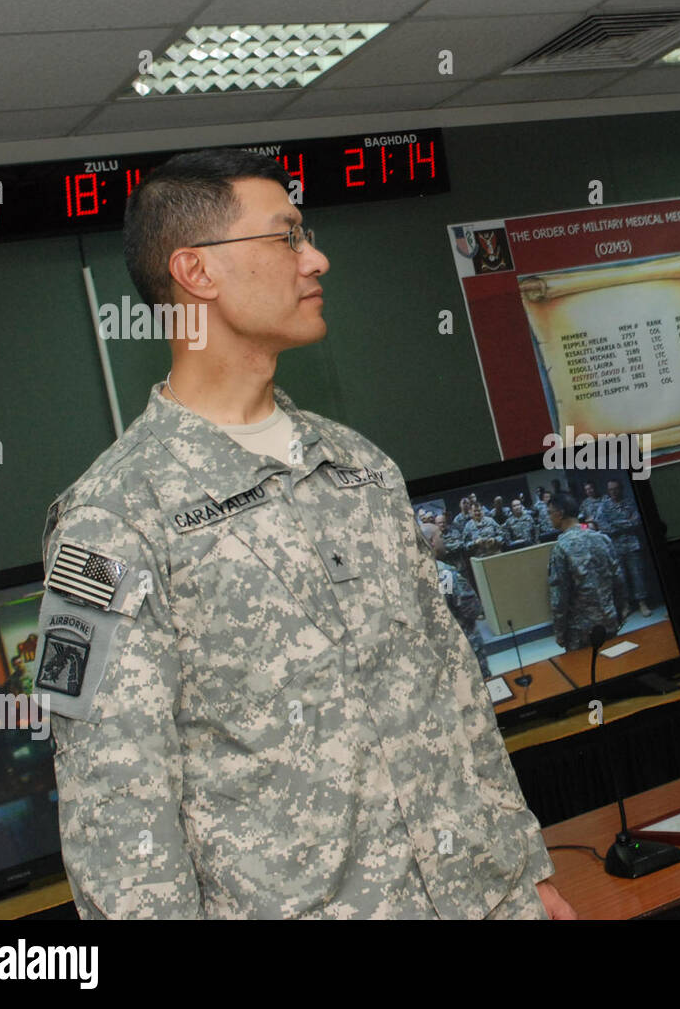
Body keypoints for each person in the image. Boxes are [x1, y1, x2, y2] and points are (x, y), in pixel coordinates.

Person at [33, 148, 574, 920]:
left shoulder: (359, 466)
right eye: (285, 236)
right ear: (197, 272)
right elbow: (112, 804)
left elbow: (452, 689)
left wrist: (526, 870)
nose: (315, 257)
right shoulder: (110, 519)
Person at [546, 494, 627, 653]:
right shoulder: (603, 539)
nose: (548, 517)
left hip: (580, 631)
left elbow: (559, 597)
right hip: (609, 620)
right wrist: (620, 611)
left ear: (560, 514)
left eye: (550, 512)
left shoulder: (561, 549)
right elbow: (618, 579)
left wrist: (560, 632)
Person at [424, 523, 491, 680]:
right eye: (440, 536)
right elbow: (473, 609)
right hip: (464, 649)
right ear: (432, 542)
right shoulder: (445, 574)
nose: (444, 540)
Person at [596, 479, 653, 618]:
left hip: (632, 545)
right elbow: (603, 526)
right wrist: (625, 524)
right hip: (615, 548)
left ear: (621, 489)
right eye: (610, 489)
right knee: (621, 578)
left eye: (616, 489)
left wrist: (617, 525)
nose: (613, 492)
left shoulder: (630, 503)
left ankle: (642, 603)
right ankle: (626, 605)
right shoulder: (604, 506)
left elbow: (637, 521)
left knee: (637, 575)